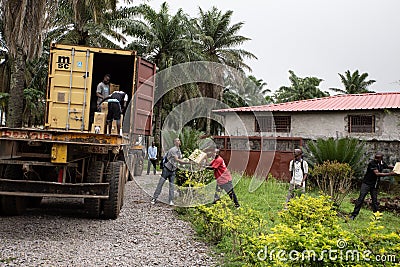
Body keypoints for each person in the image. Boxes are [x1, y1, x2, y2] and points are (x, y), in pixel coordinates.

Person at [350, 152, 396, 220]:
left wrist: (396, 167)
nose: (376, 159)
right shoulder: (372, 163)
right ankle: (353, 215)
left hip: (374, 185)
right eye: (375, 157)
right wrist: (390, 174)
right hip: (366, 184)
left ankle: (376, 217)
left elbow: (387, 166)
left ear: (381, 158)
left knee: (374, 201)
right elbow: (377, 174)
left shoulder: (381, 163)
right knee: (361, 199)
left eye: (378, 158)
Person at [151, 138, 189, 205]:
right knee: (161, 183)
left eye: (179, 140)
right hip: (166, 169)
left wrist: (188, 161)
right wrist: (187, 162)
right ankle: (154, 198)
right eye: (177, 140)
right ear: (174, 142)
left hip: (173, 170)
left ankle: (171, 200)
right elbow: (177, 160)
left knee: (172, 186)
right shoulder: (173, 150)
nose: (179, 141)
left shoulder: (179, 150)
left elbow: (181, 161)